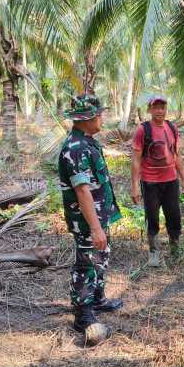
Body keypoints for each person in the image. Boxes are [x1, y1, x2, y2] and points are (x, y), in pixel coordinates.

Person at [59, 94, 123, 335]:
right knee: (87, 262)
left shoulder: (87, 142)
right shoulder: (75, 148)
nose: (101, 118)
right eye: (99, 114)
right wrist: (95, 228)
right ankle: (83, 314)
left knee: (100, 256)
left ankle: (97, 299)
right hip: (87, 219)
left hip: (97, 215)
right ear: (87, 118)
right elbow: (82, 190)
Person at [131, 95, 184, 267]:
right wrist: (134, 186)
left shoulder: (172, 127)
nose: (159, 111)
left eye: (162, 107)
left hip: (171, 180)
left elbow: (177, 155)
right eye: (156, 107)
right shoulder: (143, 130)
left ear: (166, 109)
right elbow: (135, 159)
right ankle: (154, 252)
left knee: (174, 215)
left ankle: (175, 247)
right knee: (152, 216)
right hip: (150, 182)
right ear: (149, 110)